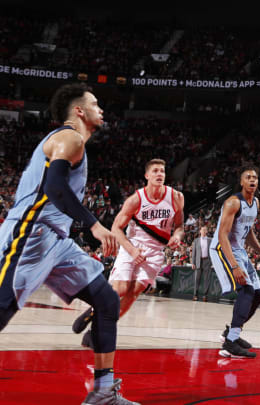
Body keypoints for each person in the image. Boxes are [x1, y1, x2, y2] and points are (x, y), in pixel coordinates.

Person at [0, 83, 137, 404]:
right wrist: (93, 225)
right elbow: (53, 186)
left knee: (106, 301)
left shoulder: (75, 143)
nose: (100, 108)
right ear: (79, 111)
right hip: (29, 234)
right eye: (95, 103)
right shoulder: (70, 137)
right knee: (3, 307)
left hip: (55, 239)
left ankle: (103, 393)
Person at [73, 159, 184, 348]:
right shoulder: (136, 199)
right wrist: (132, 250)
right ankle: (93, 310)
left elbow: (180, 226)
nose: (160, 174)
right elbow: (116, 228)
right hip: (131, 245)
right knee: (120, 290)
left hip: (155, 252)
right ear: (147, 176)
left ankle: (96, 331)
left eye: (162, 171)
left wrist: (177, 236)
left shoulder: (176, 197)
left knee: (133, 294)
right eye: (155, 171)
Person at [211, 167, 260, 358]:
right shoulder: (232, 203)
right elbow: (223, 235)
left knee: (258, 295)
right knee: (246, 290)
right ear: (241, 182)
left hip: (239, 249)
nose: (252, 180)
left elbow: (249, 233)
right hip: (222, 248)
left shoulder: (255, 203)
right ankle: (231, 342)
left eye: (255, 177)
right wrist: (234, 265)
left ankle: (231, 333)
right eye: (248, 177)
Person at [192, 226, 213, 301]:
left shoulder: (210, 240)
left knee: (207, 279)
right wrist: (193, 263)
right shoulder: (196, 240)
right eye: (202, 230)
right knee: (197, 279)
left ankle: (205, 296)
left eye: (205, 230)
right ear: (200, 231)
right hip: (198, 261)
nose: (204, 231)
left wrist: (212, 262)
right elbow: (194, 252)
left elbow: (213, 252)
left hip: (207, 261)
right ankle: (195, 295)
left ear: (207, 231)